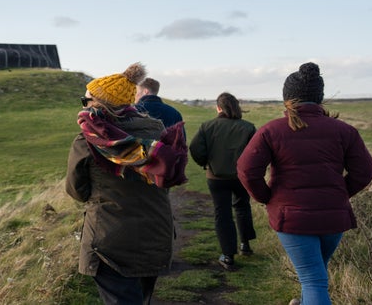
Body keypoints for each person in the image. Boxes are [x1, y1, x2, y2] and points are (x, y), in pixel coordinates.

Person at [237, 62, 372, 305]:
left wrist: (266, 197)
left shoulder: (272, 130)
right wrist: (340, 194)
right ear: (319, 96)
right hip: (333, 217)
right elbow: (365, 171)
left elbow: (247, 170)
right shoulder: (344, 131)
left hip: (292, 217)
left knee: (313, 279)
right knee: (315, 275)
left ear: (286, 97)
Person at [65, 63, 188, 305]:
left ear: (98, 104)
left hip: (109, 242)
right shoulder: (159, 135)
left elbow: (76, 190)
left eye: (85, 100)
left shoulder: (87, 141)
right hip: (155, 235)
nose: (83, 105)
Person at [189, 92, 257, 271]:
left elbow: (195, 148)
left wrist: (206, 163)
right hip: (241, 177)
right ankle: (245, 245)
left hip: (216, 177)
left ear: (218, 108)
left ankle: (228, 256)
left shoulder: (207, 126)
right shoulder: (248, 127)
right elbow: (255, 154)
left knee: (223, 213)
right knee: (243, 207)